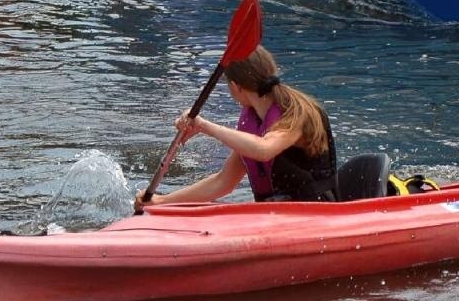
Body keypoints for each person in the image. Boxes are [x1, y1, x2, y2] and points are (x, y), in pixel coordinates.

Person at [139, 46, 338, 207]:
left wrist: (203, 126)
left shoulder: (295, 113)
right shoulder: (253, 123)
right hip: (276, 213)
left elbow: (264, 150)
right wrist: (161, 201)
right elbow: (223, 181)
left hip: (317, 211)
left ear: (235, 87)